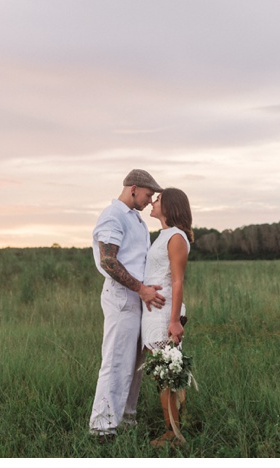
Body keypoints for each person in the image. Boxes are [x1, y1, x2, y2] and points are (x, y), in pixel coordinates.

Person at [89, 169, 167, 441]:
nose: (149, 201)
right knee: (116, 360)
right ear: (133, 188)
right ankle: (102, 427)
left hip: (138, 298)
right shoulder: (113, 216)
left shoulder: (134, 219)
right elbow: (108, 261)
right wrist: (141, 289)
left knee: (135, 363)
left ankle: (125, 420)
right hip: (122, 296)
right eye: (148, 195)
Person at [140, 187, 194, 447]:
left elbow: (177, 281)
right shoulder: (163, 236)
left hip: (164, 316)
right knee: (169, 373)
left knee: (165, 376)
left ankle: (172, 434)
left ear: (169, 207)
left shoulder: (176, 237)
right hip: (154, 314)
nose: (153, 201)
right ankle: (180, 425)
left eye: (158, 199)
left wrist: (173, 321)